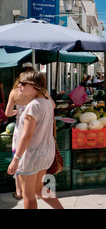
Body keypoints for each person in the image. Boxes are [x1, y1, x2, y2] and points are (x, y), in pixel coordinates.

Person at [7, 71, 63, 209]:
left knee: (28, 195)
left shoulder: (33, 106)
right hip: (45, 153)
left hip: (31, 156)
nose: (19, 85)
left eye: (24, 83)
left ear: (35, 86)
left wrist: (16, 159)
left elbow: (26, 136)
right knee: (39, 189)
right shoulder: (47, 101)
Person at [5, 66, 36, 200]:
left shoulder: (14, 92)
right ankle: (33, 190)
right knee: (32, 159)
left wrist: (18, 111)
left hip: (19, 128)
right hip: (33, 127)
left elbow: (7, 113)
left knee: (17, 159)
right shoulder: (35, 91)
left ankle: (19, 192)